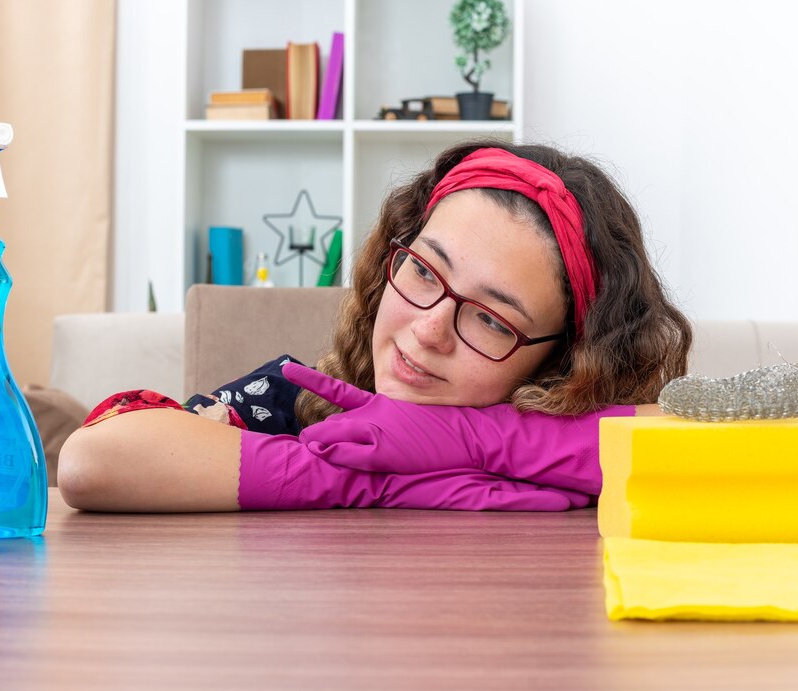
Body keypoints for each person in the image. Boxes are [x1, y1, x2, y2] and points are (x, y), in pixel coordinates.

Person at [58, 140, 691, 513]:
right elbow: (92, 461)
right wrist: (364, 478)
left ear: (563, 358)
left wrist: (471, 440)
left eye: (491, 320)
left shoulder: (575, 446)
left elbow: (710, 449)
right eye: (423, 271)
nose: (429, 330)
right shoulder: (297, 401)